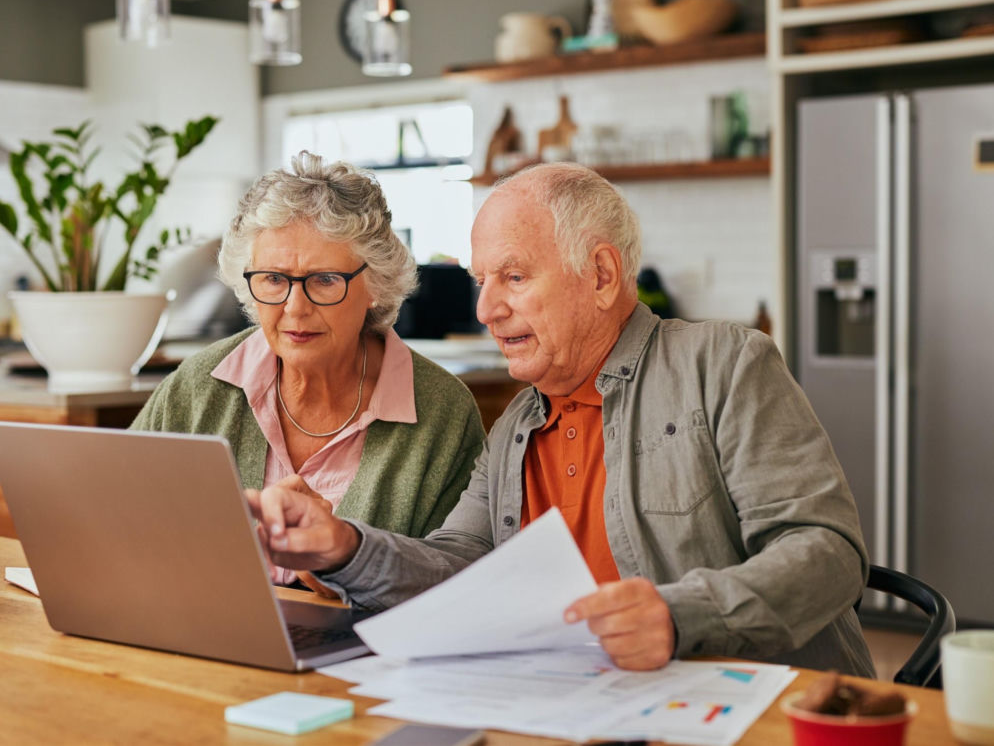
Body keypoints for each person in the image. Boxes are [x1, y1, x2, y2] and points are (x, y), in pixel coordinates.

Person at [247, 162, 875, 676]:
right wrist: (344, 548)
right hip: (580, 706)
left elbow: (827, 555)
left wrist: (680, 616)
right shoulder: (517, 424)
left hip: (758, 707)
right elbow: (459, 568)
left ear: (601, 275)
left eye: (514, 277)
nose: (487, 309)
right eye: (482, 281)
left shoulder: (723, 365)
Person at [131, 151, 485, 586]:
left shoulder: (442, 412)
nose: (295, 308)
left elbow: (452, 580)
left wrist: (340, 565)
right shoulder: (197, 386)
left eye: (325, 280)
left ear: (375, 284)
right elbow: (118, 514)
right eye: (274, 279)